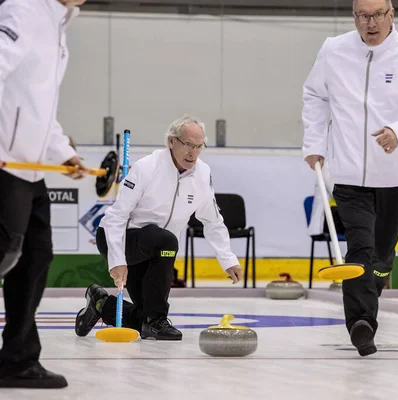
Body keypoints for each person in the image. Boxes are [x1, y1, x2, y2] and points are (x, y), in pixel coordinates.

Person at [301, 0, 398, 356]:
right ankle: (361, 323)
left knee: (381, 256)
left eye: (377, 15)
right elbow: (315, 96)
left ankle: (374, 285)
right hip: (349, 173)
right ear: (354, 17)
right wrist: (314, 143)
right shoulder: (334, 51)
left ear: (391, 15)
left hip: (396, 174)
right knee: (361, 249)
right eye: (363, 16)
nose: (370, 23)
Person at [74, 115, 242, 340]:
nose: (193, 152)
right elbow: (116, 217)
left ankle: (101, 303)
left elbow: (212, 220)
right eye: (187, 144)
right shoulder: (147, 168)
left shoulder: (202, 174)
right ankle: (158, 321)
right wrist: (117, 260)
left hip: (156, 250)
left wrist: (227, 258)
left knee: (145, 315)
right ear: (172, 141)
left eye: (199, 146)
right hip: (122, 238)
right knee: (167, 240)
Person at [0, 0, 88, 389]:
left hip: (31, 169)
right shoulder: (23, 8)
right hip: (5, 163)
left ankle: (17, 360)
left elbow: (39, 110)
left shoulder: (59, 23)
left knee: (35, 257)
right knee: (5, 252)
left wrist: (63, 153)